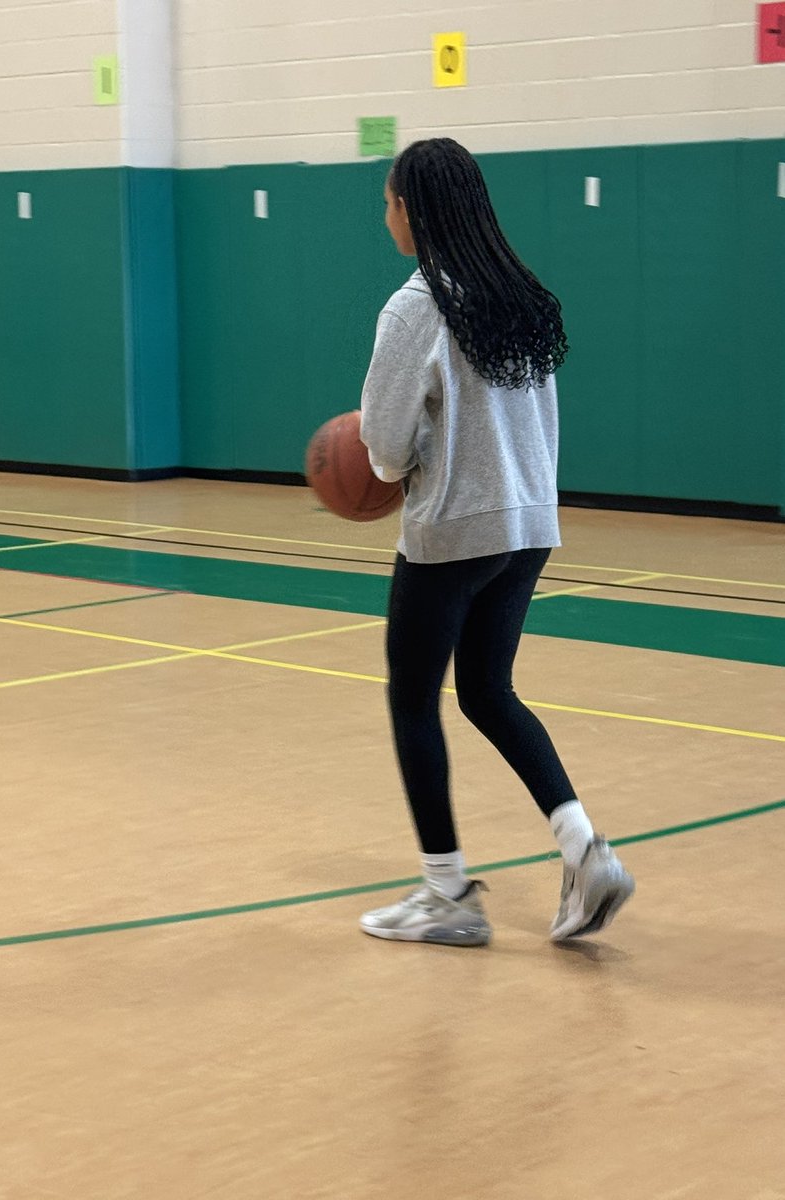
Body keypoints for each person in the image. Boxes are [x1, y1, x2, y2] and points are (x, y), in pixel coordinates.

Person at [358, 138, 634, 946]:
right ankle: (586, 852)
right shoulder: (518, 296)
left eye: (388, 201)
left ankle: (446, 894)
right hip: (527, 527)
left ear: (413, 209)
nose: (385, 216)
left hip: (454, 530)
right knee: (486, 691)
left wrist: (385, 462)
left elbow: (380, 445)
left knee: (413, 697)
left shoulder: (414, 306)